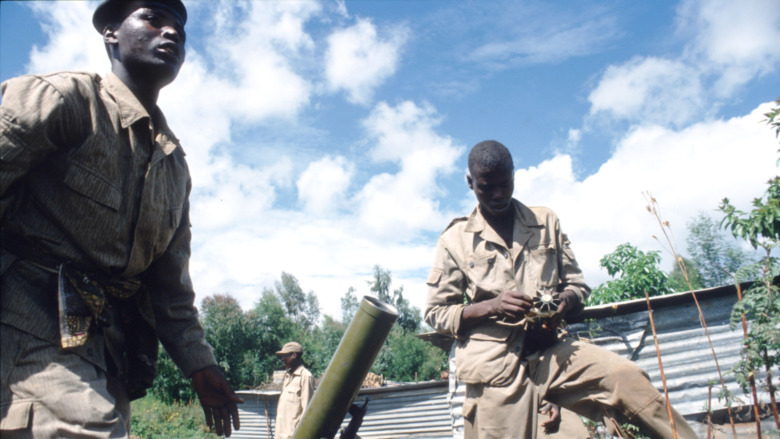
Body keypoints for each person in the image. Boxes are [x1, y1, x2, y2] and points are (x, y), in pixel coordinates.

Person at [0, 1, 242, 437]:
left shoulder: (173, 168)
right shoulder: (64, 100)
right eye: (152, 18)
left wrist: (201, 366)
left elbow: (170, 290)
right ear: (111, 32)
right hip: (25, 324)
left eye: (180, 30)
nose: (170, 32)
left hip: (108, 348)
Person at [424, 140, 697, 439]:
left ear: (514, 175)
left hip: (553, 352)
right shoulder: (454, 240)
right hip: (496, 369)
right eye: (487, 187)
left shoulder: (545, 222)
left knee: (626, 378)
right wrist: (493, 305)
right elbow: (436, 313)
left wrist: (565, 301)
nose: (498, 194)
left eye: (506, 184)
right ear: (470, 182)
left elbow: (577, 287)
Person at [274, 342, 315, 439]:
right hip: (280, 434)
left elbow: (307, 410)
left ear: (294, 355)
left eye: (285, 356)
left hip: (293, 435)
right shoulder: (288, 376)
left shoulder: (306, 377)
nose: (282, 359)